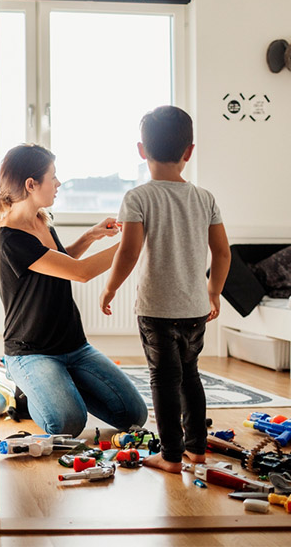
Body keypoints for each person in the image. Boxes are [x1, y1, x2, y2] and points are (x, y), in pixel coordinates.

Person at [99, 105, 230, 473]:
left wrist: (110, 289)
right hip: (194, 309)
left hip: (156, 309)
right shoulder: (205, 198)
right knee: (191, 376)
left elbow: (129, 252)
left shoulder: (139, 197)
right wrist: (213, 291)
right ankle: (197, 450)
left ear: (142, 150)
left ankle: (171, 456)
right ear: (189, 151)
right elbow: (222, 253)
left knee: (163, 379)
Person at [0, 144, 148, 438]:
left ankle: (62, 381)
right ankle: (25, 386)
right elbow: (79, 273)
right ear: (31, 184)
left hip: (74, 346)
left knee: (134, 414)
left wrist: (91, 235)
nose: (58, 183)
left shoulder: (41, 220)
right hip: (31, 352)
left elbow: (60, 262)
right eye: (53, 177)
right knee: (67, 424)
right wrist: (135, 242)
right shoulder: (10, 238)